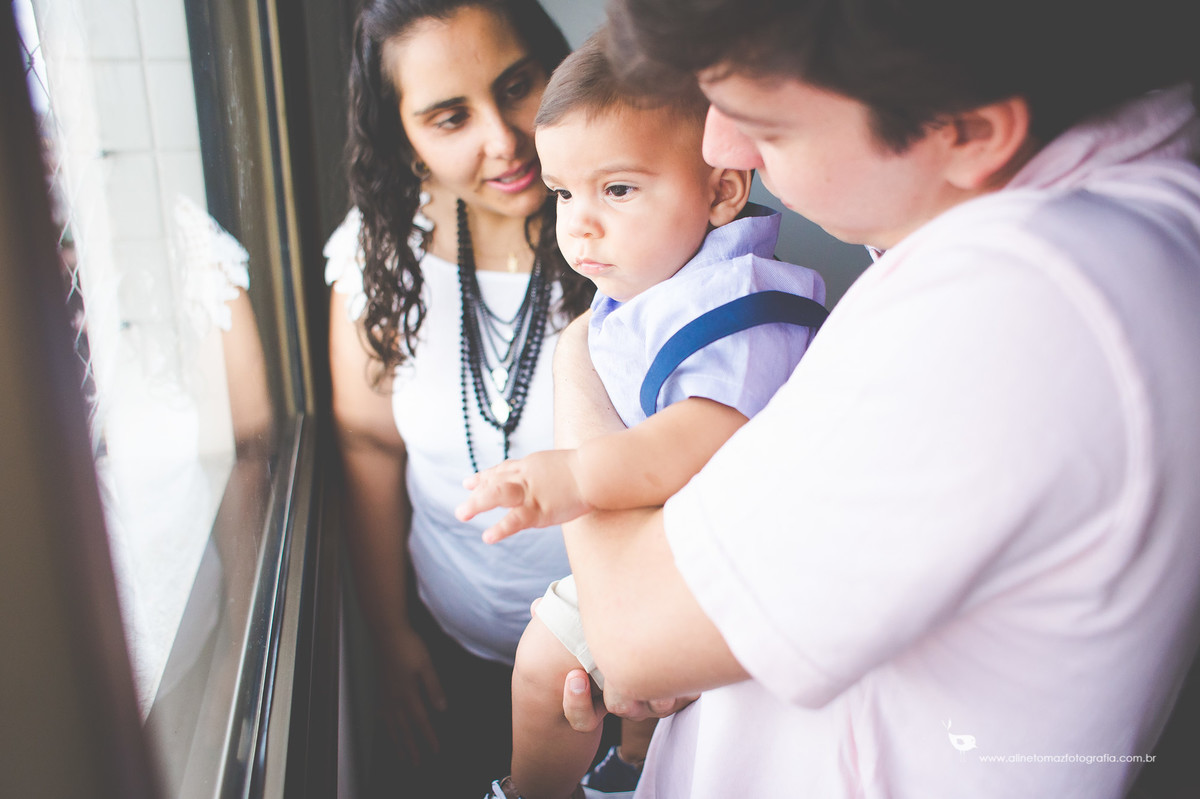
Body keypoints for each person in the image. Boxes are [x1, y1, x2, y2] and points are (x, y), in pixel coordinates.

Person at [544, 1, 1200, 798]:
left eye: (765, 124)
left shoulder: (1022, 302)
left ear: (970, 131)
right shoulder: (1083, 221)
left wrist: (577, 354)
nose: (720, 146)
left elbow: (634, 637)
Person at [455, 29, 825, 799]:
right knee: (601, 698)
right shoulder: (663, 274)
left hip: (726, 566)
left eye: (617, 190)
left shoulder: (742, 306)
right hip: (666, 551)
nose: (579, 223)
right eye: (563, 192)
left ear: (722, 189)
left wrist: (578, 473)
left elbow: (706, 432)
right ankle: (620, 774)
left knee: (545, 663)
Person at [325, 1, 594, 794]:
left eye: (517, 86)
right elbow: (370, 445)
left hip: (623, 663)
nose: (504, 140)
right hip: (454, 658)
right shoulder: (379, 259)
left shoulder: (633, 224)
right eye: (451, 118)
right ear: (401, 136)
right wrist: (388, 631)